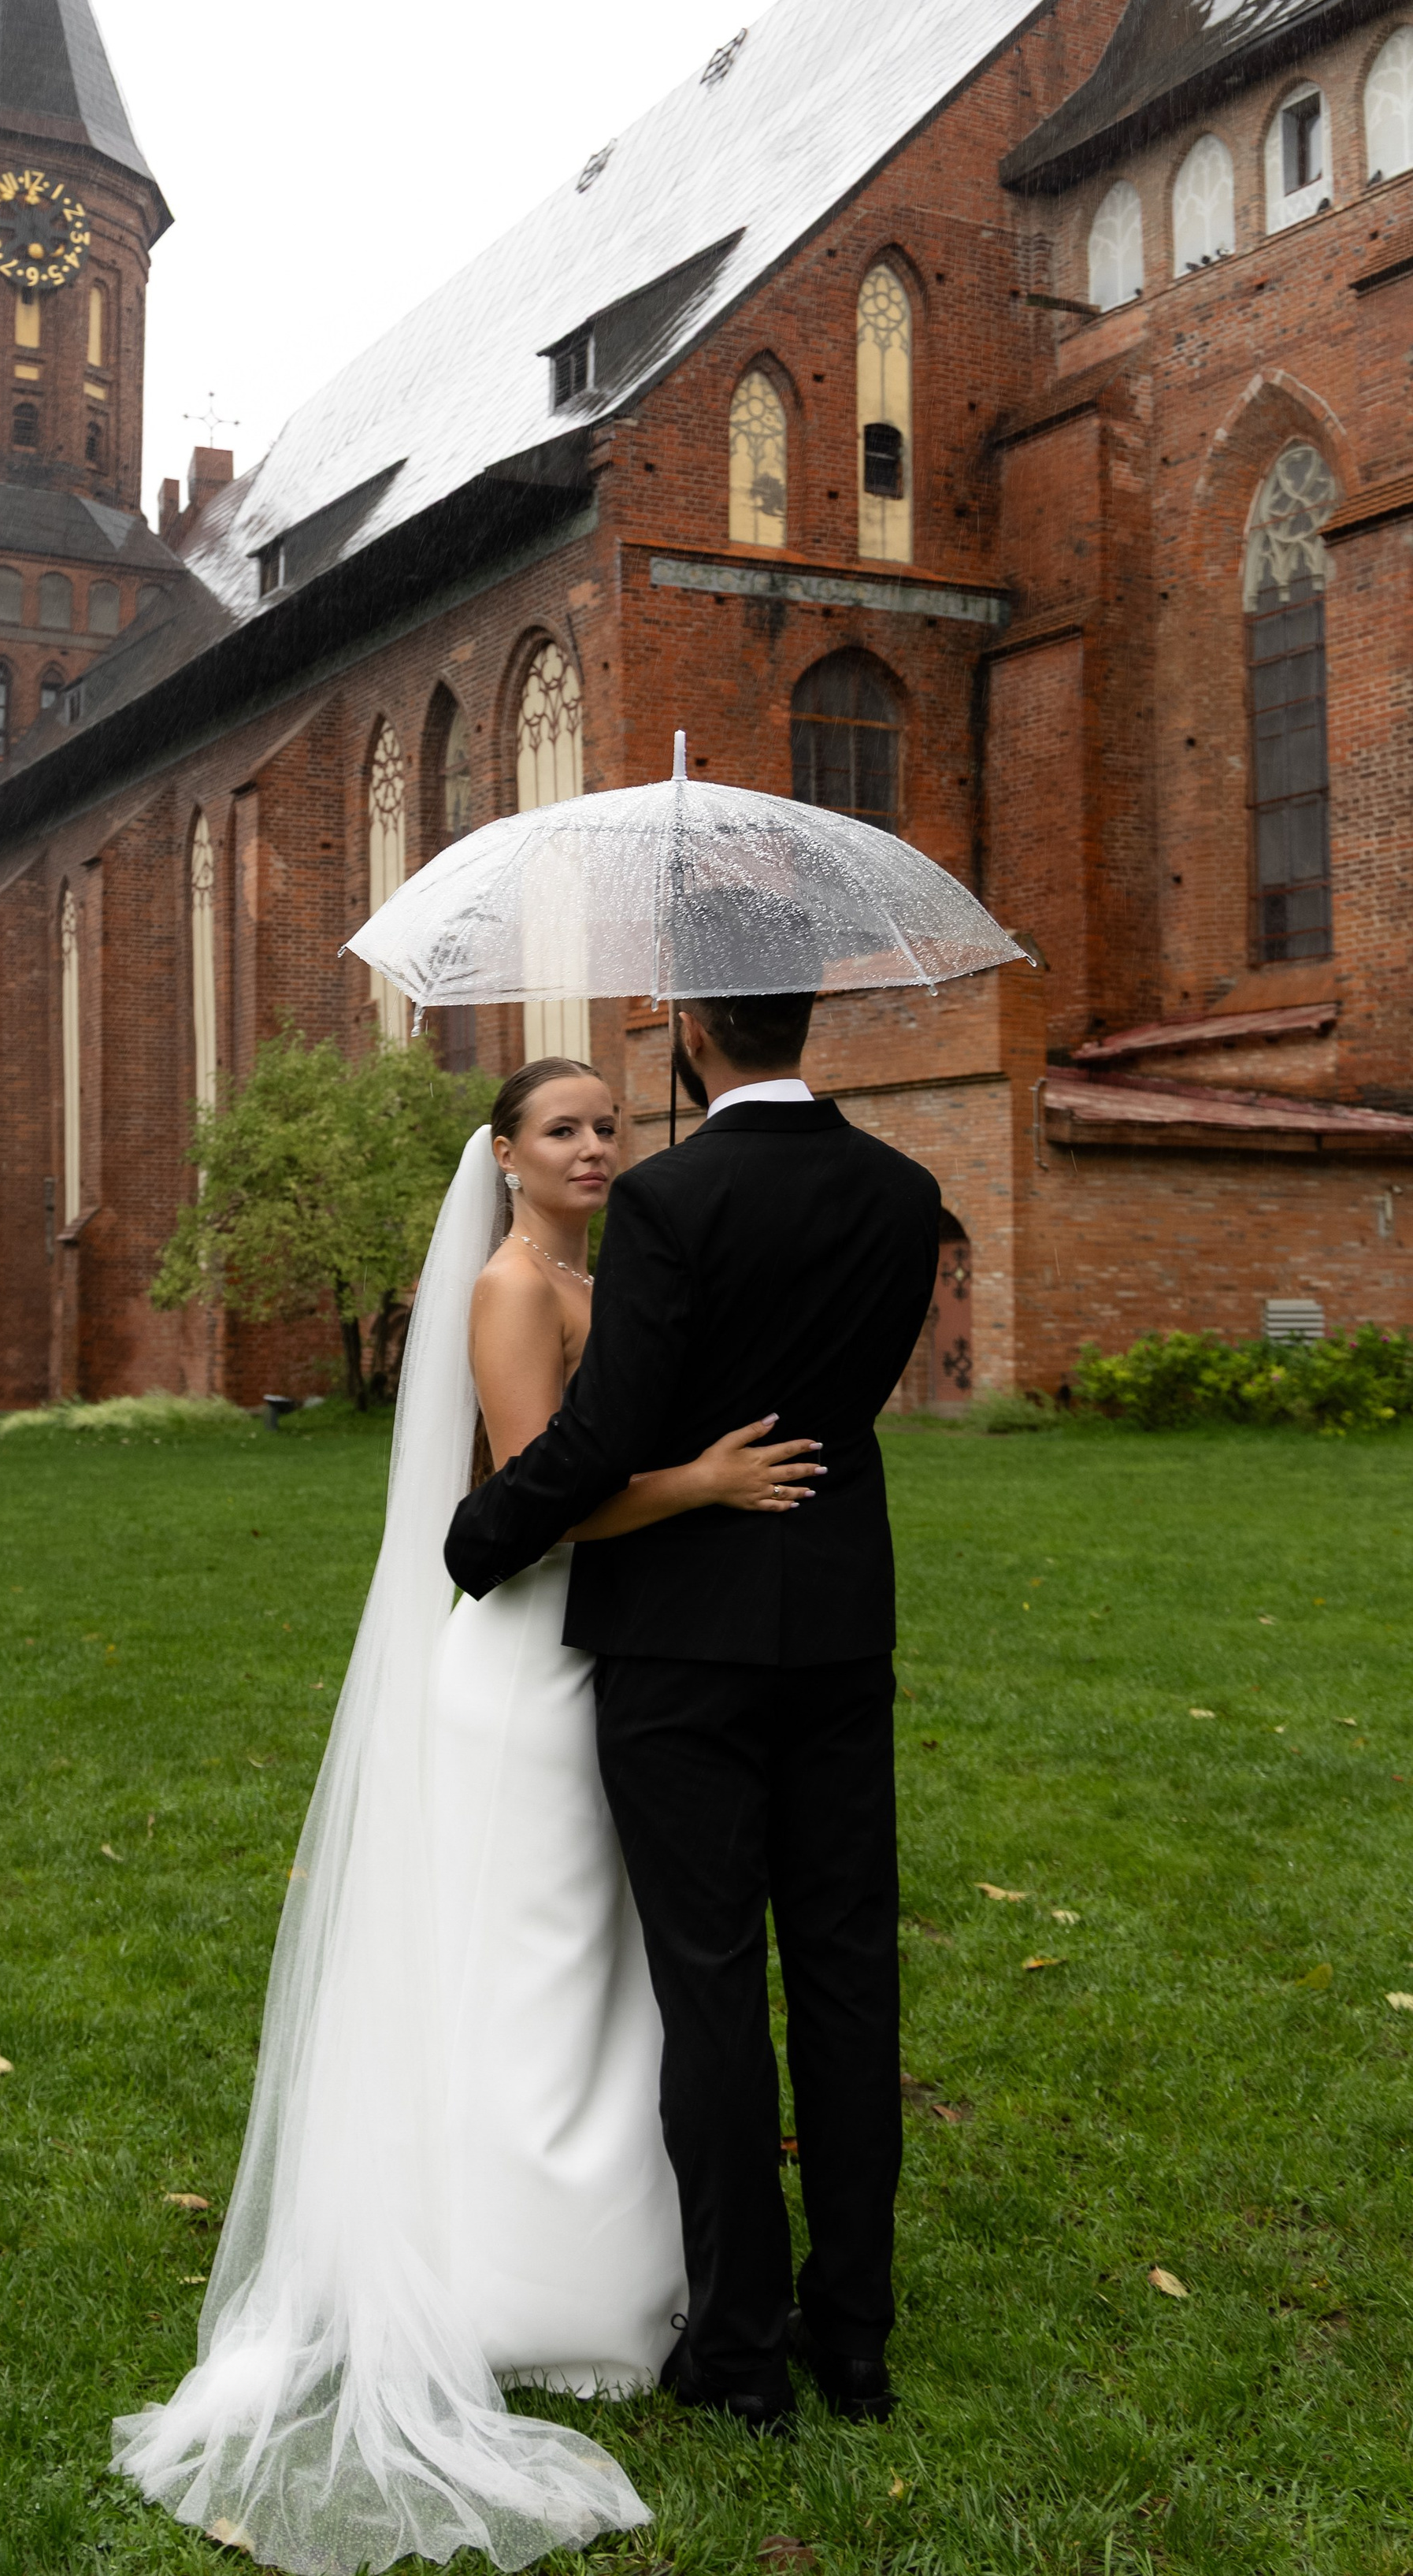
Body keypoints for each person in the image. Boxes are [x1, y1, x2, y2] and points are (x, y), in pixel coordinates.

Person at [113, 1060, 816, 2576]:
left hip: (600, 1657)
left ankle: (606, 2263)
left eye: (610, 1124)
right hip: (527, 1667)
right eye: (561, 1127)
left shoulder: (600, 1266)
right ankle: (505, 2287)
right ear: (503, 1154)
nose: (593, 1146)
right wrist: (701, 1479)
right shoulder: (513, 1287)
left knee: (591, 1973)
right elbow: (545, 1486)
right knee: (532, 1966)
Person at [446, 993, 940, 2438]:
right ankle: (856, 2336)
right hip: (842, 1622)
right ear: (804, 1020)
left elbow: (604, 1431)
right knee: (849, 1972)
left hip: (682, 1649)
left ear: (690, 1042)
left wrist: (483, 1536)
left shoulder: (669, 1199)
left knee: (711, 1982)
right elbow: (839, 1396)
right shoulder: (905, 1192)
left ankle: (741, 2344)